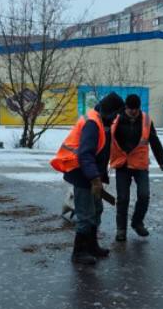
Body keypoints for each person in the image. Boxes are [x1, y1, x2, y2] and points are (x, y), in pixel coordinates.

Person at [51, 92, 125, 265]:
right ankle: (79, 252)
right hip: (82, 174)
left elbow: (100, 153)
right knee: (86, 214)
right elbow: (85, 155)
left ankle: (92, 246)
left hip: (91, 174)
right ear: (109, 111)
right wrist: (94, 179)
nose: (116, 119)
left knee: (97, 210)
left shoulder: (101, 122)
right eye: (115, 114)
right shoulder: (92, 124)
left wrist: (99, 177)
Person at [110, 94, 163, 242]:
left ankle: (137, 222)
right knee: (123, 198)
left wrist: (161, 159)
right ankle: (121, 230)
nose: (134, 112)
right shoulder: (116, 120)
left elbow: (154, 140)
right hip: (122, 164)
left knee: (144, 195)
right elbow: (107, 142)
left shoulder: (146, 120)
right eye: (131, 109)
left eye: (136, 109)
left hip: (140, 164)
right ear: (125, 107)